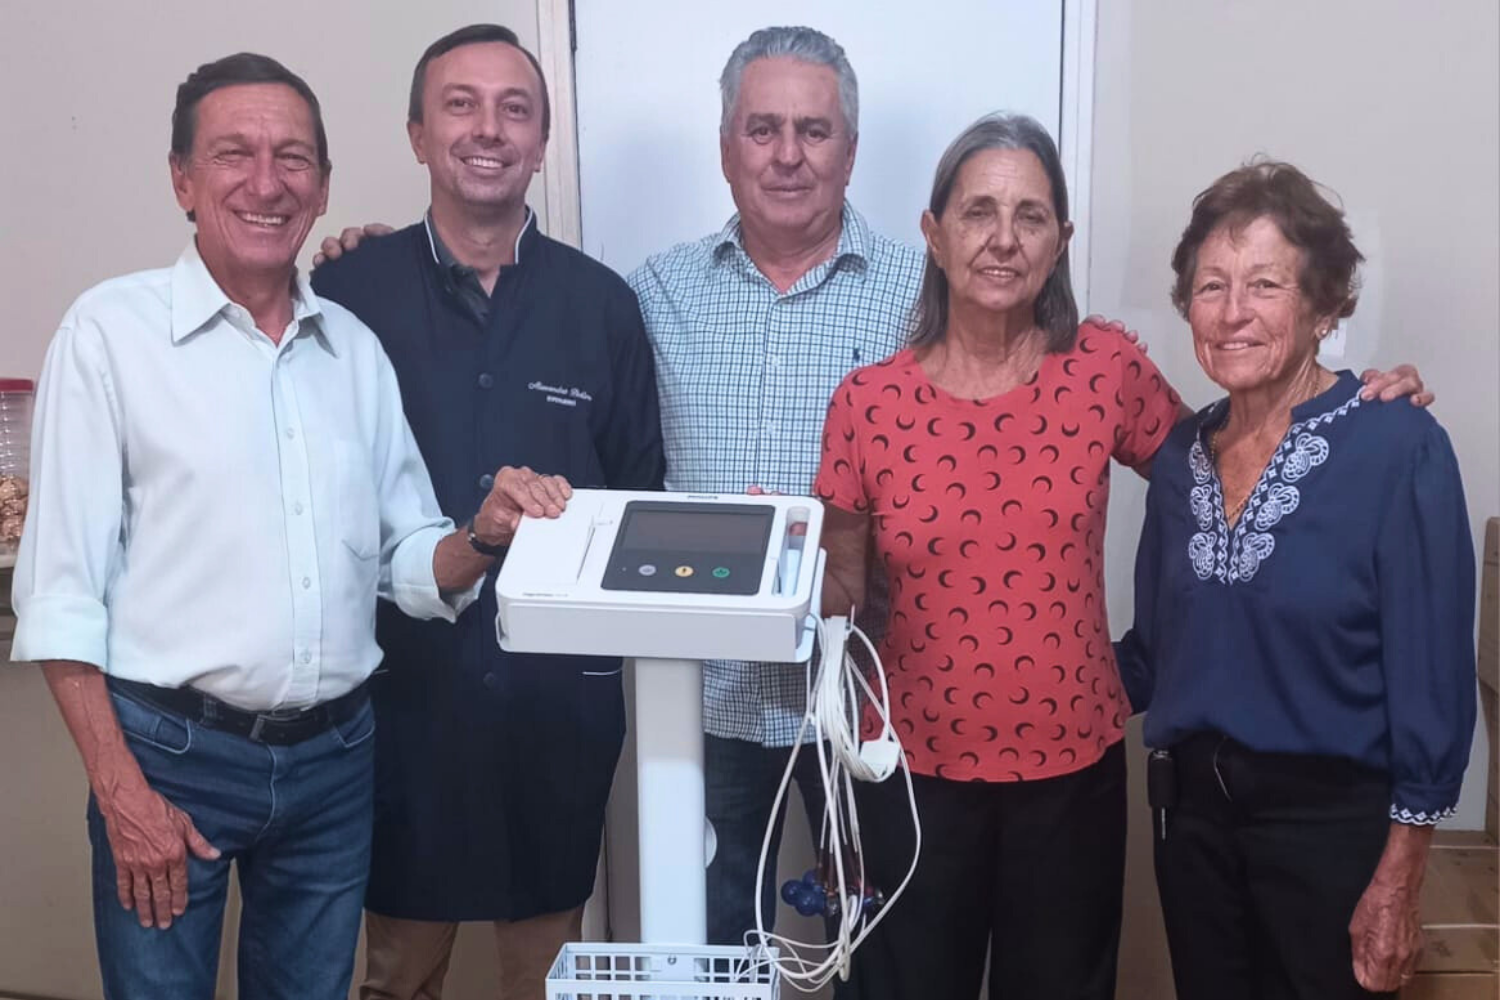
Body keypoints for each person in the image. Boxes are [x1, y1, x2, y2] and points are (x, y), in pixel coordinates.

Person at [813, 114, 1431, 1000]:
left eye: (1030, 216)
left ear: (1060, 241)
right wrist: (773, 561)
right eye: (979, 211)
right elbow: (841, 592)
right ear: (934, 233)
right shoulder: (867, 404)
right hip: (909, 778)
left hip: (1072, 776)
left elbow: (1233, 461)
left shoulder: (1102, 369)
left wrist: (1355, 406)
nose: (1003, 238)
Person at [7, 52, 561, 1000]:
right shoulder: (108, 337)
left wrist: (485, 534)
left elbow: (405, 557)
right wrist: (119, 789)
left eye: (293, 158)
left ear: (323, 185)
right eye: (234, 154)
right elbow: (59, 595)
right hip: (169, 758)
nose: (267, 183)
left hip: (334, 766)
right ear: (182, 179)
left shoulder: (353, 351)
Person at [310, 24, 664, 1000]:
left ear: (542, 141)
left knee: (549, 974)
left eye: (516, 109)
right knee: (396, 972)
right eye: (460, 104)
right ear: (418, 134)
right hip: (399, 702)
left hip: (556, 710)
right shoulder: (344, 295)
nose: (488, 129)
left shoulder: (601, 306)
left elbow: (639, 497)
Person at [1116, 161, 1476, 1000]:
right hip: (1191, 830)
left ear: (1323, 307)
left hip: (1332, 835)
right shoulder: (1178, 460)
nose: (1232, 311)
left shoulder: (1397, 446)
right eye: (1211, 286)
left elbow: (1431, 678)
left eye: (1265, 284)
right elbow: (1153, 655)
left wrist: (1400, 877)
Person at [626, 25, 924, 949]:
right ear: (726, 149)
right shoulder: (656, 292)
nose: (787, 155)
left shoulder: (927, 295)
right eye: (762, 130)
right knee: (714, 947)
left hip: (870, 693)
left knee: (883, 948)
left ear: (850, 151)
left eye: (813, 130)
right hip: (707, 700)